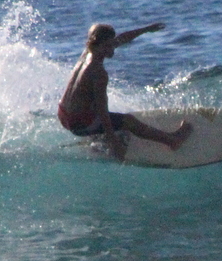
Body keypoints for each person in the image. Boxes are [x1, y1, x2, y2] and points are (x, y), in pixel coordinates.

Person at [58, 22, 192, 161]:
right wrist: (114, 141)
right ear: (98, 43)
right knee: (128, 121)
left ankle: (97, 141)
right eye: (108, 46)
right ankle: (173, 141)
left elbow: (121, 39)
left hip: (64, 115)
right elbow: (102, 110)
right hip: (79, 123)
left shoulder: (87, 52)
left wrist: (145, 29)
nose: (113, 49)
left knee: (92, 109)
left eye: (112, 44)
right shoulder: (98, 72)